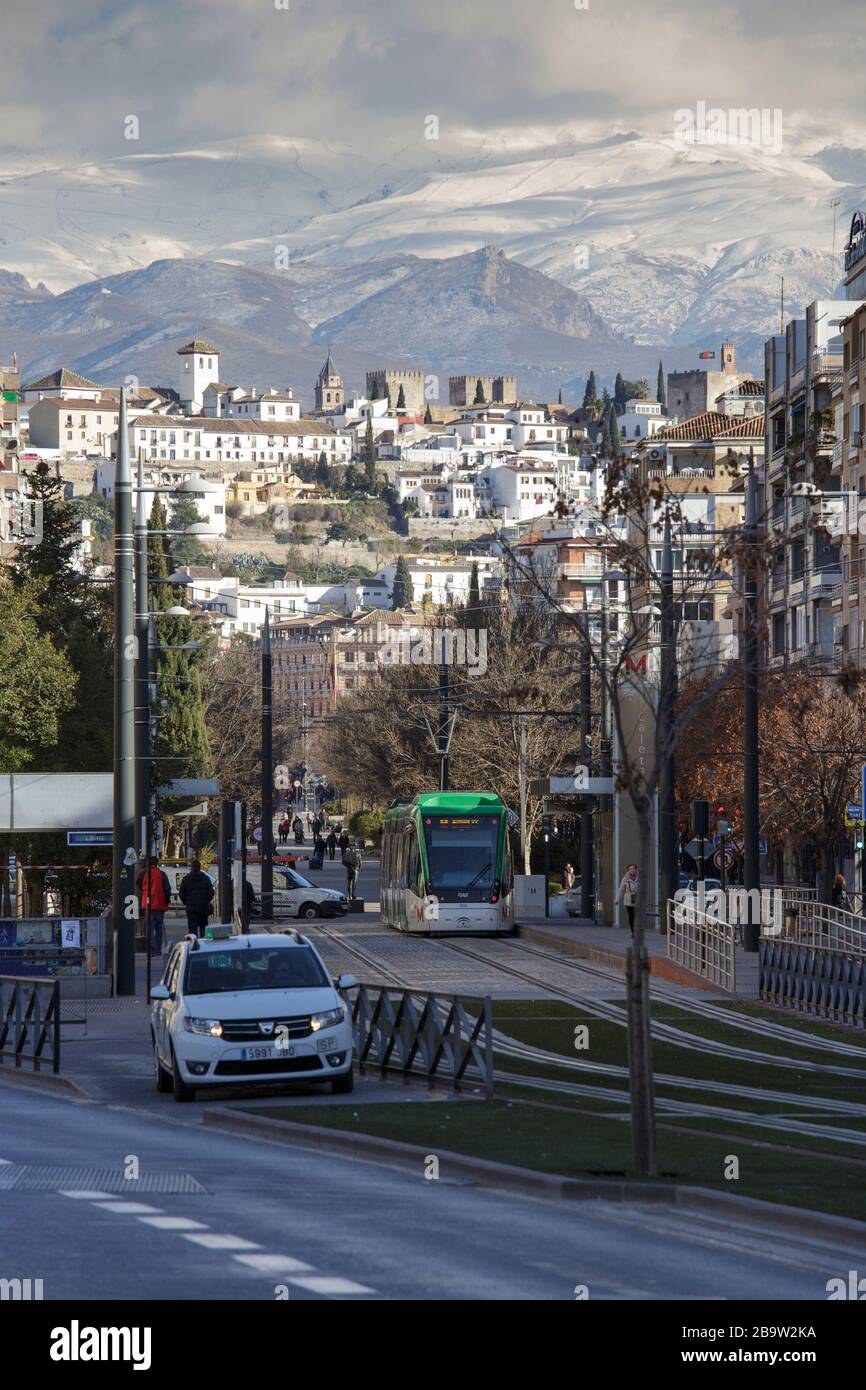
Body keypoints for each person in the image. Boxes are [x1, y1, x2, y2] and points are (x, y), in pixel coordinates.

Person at [136, 860, 172, 956]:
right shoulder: (162, 874)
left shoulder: (143, 873)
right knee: (158, 927)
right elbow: (167, 889)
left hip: (147, 904)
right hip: (159, 904)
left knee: (149, 927)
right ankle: (158, 949)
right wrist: (167, 900)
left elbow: (138, 883)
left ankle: (151, 949)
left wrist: (145, 892)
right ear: (157, 863)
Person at [179, 859, 215, 938]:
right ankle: (203, 945)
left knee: (192, 930)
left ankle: (194, 945)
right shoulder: (205, 879)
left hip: (191, 908)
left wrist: (187, 902)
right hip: (203, 907)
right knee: (203, 928)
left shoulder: (186, 879)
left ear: (191, 868)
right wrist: (206, 901)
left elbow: (181, 894)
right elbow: (211, 892)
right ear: (200, 867)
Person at [617, 863, 639, 934]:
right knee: (631, 916)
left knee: (637, 916)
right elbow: (621, 890)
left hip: (637, 899)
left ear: (636, 869)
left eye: (633, 869)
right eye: (630, 869)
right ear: (628, 870)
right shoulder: (625, 879)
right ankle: (633, 932)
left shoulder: (639, 878)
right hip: (628, 899)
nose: (632, 870)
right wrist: (617, 899)